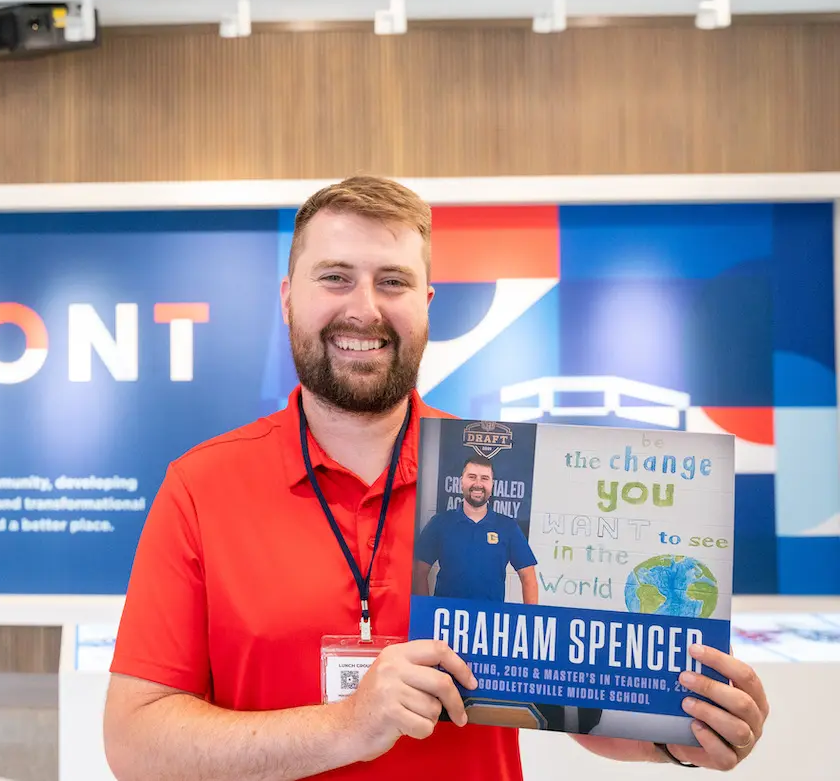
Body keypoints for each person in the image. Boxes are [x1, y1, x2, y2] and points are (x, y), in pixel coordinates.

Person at [103, 175, 769, 780]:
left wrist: (682, 730)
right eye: (335, 276)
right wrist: (345, 727)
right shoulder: (201, 486)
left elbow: (571, 699)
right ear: (287, 298)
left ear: (426, 302)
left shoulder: (496, 468)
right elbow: (134, 742)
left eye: (391, 281)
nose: (364, 308)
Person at [413, 454, 540, 604]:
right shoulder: (440, 523)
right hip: (447, 620)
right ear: (461, 482)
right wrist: (426, 613)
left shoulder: (508, 527)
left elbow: (528, 578)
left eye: (484, 478)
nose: (478, 484)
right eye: (472, 477)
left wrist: (530, 620)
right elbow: (418, 572)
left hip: (489, 621)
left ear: (492, 484)